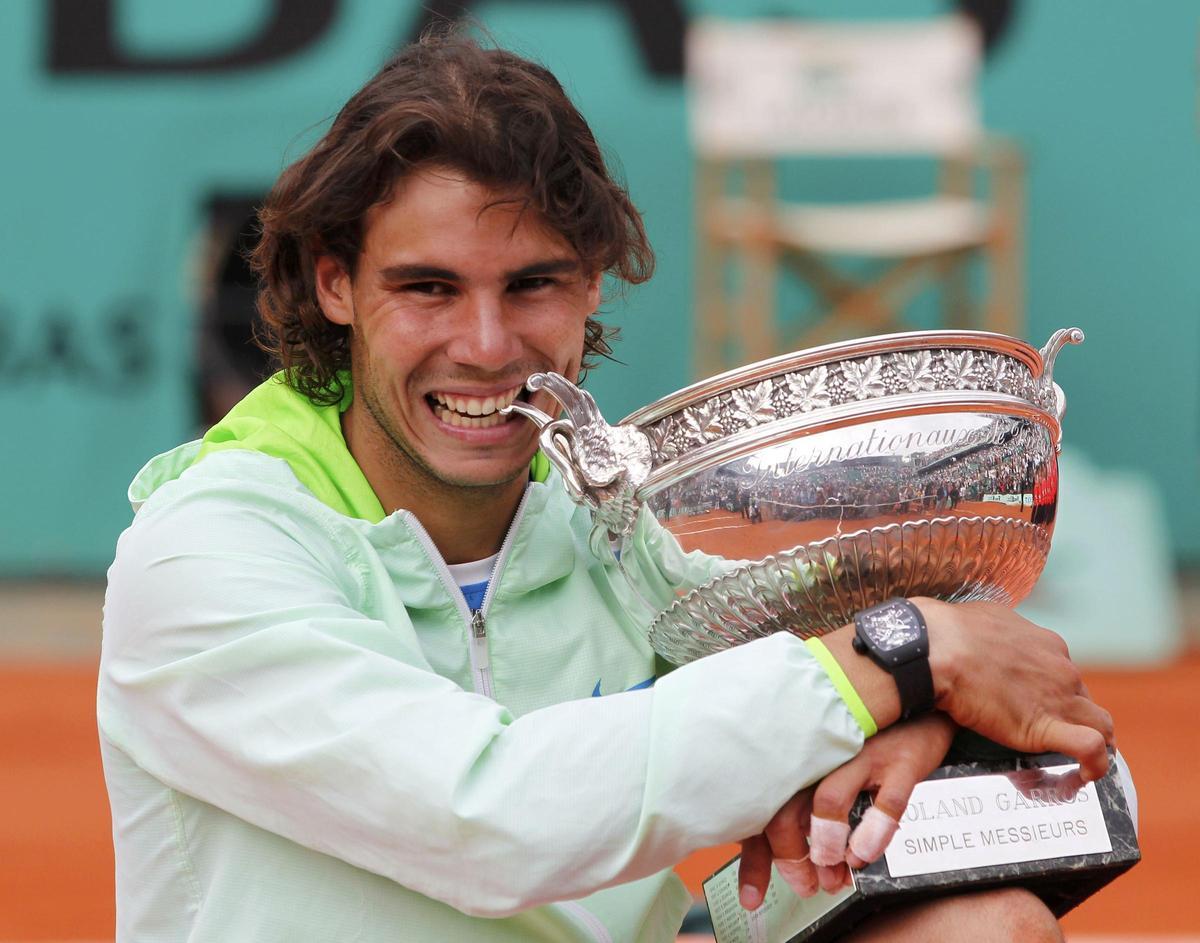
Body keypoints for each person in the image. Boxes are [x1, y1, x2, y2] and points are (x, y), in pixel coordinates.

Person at [99, 32, 1116, 943]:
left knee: (990, 925)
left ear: (592, 286)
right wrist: (905, 653)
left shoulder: (611, 531)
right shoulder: (210, 550)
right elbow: (485, 818)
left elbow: (974, 708)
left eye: (533, 282)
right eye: (428, 288)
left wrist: (928, 712)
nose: (488, 346)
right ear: (335, 285)